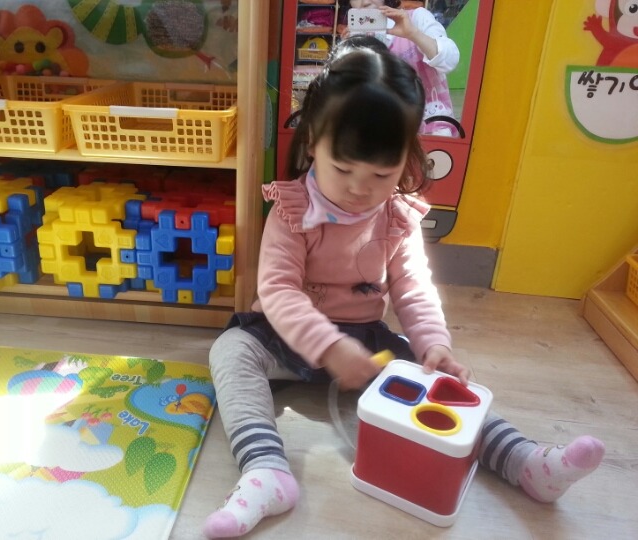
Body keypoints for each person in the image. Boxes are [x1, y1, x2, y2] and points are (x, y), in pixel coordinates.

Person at [203, 36, 605, 539]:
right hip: (284, 337)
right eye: (342, 168)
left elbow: (414, 287)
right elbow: (280, 291)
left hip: (367, 344)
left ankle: (524, 461)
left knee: (444, 382)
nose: (359, 187)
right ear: (311, 146)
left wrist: (436, 345)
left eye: (381, 173)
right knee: (230, 350)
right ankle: (265, 470)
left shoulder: (397, 215)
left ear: (407, 160)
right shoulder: (291, 210)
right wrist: (328, 347)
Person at [341, 0, 461, 136]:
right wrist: (347, 56)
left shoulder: (416, 18)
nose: (365, 1)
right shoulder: (355, 36)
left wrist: (413, 34)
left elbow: (450, 60)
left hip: (433, 129)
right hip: (384, 135)